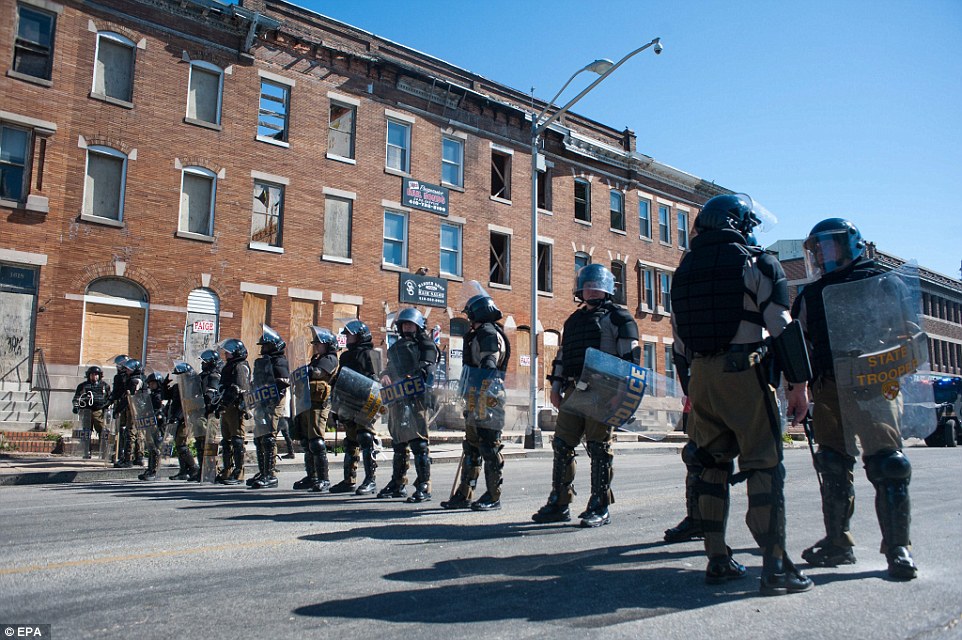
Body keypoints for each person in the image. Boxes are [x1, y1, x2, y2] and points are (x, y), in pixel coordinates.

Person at [670, 193, 814, 596]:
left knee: (711, 467)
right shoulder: (756, 261)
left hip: (700, 378)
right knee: (764, 465)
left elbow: (678, 340)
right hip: (744, 374)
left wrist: (690, 391)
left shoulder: (682, 272)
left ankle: (717, 559)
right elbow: (782, 324)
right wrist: (799, 383)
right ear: (738, 223)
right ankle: (775, 565)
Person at [786, 218, 918, 580]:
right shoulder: (813, 293)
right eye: (816, 248)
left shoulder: (883, 283)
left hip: (877, 381)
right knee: (831, 464)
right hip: (830, 385)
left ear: (849, 244)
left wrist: (898, 360)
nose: (821, 254)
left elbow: (910, 331)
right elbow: (801, 342)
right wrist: (799, 387)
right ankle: (838, 542)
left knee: (889, 465)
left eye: (827, 246)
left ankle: (898, 548)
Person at [533, 264, 639, 528]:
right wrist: (555, 389)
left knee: (598, 447)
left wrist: (621, 394)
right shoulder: (573, 320)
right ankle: (560, 501)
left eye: (595, 285)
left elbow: (631, 361)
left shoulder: (620, 318)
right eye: (587, 285)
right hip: (572, 389)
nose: (590, 290)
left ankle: (599, 504)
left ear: (606, 288)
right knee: (562, 444)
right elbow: (562, 356)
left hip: (604, 390)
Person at [441, 284, 510, 511]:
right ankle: (464, 494)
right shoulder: (477, 333)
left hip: (488, 394)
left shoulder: (489, 333)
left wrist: (482, 391)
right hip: (474, 394)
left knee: (489, 446)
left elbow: (489, 364)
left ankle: (493, 495)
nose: (468, 315)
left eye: (470, 311)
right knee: (471, 446)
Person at [378, 308, 440, 503]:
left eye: (410, 324)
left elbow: (427, 370)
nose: (406, 327)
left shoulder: (426, 344)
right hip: (397, 398)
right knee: (398, 442)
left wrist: (412, 377)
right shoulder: (396, 347)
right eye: (403, 324)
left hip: (416, 398)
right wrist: (385, 376)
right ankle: (398, 483)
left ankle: (424, 485)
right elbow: (389, 368)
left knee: (418, 443)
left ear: (418, 325)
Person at [330, 320, 381, 495]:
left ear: (360, 335)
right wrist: (335, 406)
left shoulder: (370, 354)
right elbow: (340, 381)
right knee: (351, 440)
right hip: (348, 403)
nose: (348, 338)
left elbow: (377, 381)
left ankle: (370, 480)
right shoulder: (344, 356)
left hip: (366, 402)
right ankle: (349, 480)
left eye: (350, 334)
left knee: (365, 438)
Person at [289, 327, 338, 492]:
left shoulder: (330, 359)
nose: (316, 346)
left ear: (328, 345)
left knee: (316, 441)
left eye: (318, 343)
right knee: (306, 441)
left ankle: (324, 478)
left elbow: (318, 373)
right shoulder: (316, 358)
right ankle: (312, 476)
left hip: (319, 404)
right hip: (307, 402)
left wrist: (305, 370)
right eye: (315, 343)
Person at [248, 326, 290, 490]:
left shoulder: (280, 361)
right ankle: (262, 471)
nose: (263, 348)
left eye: (265, 346)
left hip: (274, 402)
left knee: (269, 437)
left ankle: (270, 474)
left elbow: (283, 381)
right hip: (261, 402)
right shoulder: (261, 362)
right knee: (259, 437)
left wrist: (268, 387)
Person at [663, 398, 704, 543]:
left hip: (738, 385)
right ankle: (697, 520)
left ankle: (771, 543)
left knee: (761, 463)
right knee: (694, 453)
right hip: (703, 389)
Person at [215, 339, 253, 486]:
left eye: (229, 352)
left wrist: (229, 402)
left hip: (235, 406)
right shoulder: (228, 367)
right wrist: (220, 404)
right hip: (226, 406)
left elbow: (239, 388)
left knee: (237, 440)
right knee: (226, 441)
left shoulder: (240, 366)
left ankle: (238, 472)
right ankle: (227, 470)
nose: (226, 354)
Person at [165, 362, 200, 481]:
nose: (180, 378)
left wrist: (177, 417)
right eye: (178, 376)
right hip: (176, 418)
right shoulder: (177, 387)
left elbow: (185, 404)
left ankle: (193, 467)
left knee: (182, 444)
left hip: (185, 418)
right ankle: (183, 470)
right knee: (179, 443)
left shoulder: (191, 387)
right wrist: (163, 386)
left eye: (182, 375)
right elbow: (167, 397)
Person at [71, 366, 111, 459]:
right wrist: (76, 406)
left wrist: (107, 408)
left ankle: (104, 452)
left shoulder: (105, 386)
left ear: (100, 376)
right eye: (92, 374)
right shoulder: (83, 386)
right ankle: (86, 451)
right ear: (88, 375)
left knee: (103, 432)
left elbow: (109, 398)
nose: (94, 376)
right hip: (86, 410)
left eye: (96, 374)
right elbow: (77, 397)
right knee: (86, 432)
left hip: (99, 411)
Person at [196, 349, 222, 481]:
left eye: (205, 361)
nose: (202, 364)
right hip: (200, 413)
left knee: (210, 443)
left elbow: (211, 395)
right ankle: (202, 469)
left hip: (211, 413)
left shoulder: (214, 376)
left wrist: (208, 400)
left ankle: (212, 470)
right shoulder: (202, 376)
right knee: (200, 441)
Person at [138, 372, 167, 481]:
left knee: (156, 447)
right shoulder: (152, 395)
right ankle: (150, 468)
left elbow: (161, 410)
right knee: (151, 447)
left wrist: (157, 414)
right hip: (150, 423)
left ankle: (154, 470)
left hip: (158, 425)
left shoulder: (160, 396)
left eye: (153, 383)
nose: (151, 385)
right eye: (150, 383)